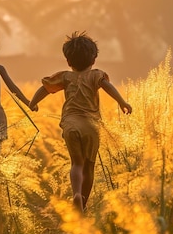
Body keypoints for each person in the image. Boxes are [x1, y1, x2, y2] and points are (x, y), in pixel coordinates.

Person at [29, 31, 132, 212]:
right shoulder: (96, 75)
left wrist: (32, 102)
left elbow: (45, 88)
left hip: (71, 124)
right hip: (91, 125)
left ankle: (76, 193)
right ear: (94, 59)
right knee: (89, 166)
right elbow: (108, 87)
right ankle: (82, 203)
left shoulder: (65, 77)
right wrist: (122, 102)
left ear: (69, 61)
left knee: (76, 164)